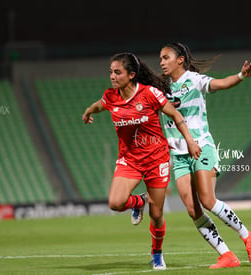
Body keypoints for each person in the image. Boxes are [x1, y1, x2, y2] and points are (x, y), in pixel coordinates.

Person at [82, 52, 201, 270]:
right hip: (129, 160)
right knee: (116, 203)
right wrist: (89, 111)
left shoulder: (150, 94)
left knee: (157, 215)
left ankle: (157, 254)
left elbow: (175, 115)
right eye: (111, 72)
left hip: (157, 159)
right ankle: (139, 202)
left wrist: (190, 141)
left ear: (131, 74)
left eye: (117, 72)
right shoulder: (111, 96)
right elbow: (100, 105)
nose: (112, 76)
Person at [158, 43, 251, 269]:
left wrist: (241, 76)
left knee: (207, 200)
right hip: (179, 155)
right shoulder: (161, 87)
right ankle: (226, 255)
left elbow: (221, 84)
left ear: (180, 60)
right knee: (193, 209)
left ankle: (248, 236)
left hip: (201, 147)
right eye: (160, 58)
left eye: (166, 57)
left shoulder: (194, 79)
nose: (162, 62)